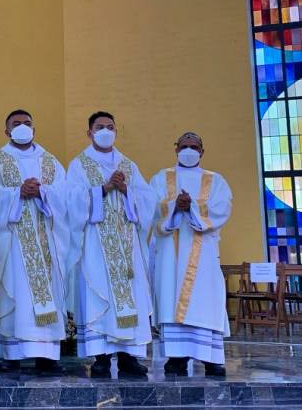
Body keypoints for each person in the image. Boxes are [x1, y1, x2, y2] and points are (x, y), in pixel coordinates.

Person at [66, 111, 156, 377]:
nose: (106, 131)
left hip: (128, 246)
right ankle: (101, 357)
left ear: (116, 131)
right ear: (89, 133)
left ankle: (129, 357)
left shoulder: (129, 165)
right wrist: (103, 189)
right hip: (96, 245)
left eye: (110, 127)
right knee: (98, 297)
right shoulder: (79, 165)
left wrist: (127, 190)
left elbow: (148, 200)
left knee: (132, 298)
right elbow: (71, 202)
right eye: (100, 127)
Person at [0, 110, 69, 374]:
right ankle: (12, 354)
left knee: (48, 293)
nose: (23, 127)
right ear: (6, 131)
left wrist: (42, 191)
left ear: (35, 128)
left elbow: (65, 197)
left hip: (46, 237)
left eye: (27, 123)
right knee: (15, 292)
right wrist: (16, 193)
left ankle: (47, 356)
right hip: (12, 240)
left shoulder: (50, 161)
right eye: (16, 124)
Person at [150, 132, 231, 377]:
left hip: (204, 253)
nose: (189, 150)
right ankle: (176, 358)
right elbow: (151, 208)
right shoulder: (160, 178)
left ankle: (211, 359)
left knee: (206, 301)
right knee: (171, 298)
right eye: (184, 146)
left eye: (194, 146)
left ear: (202, 151)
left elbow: (222, 208)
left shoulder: (215, 180)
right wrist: (174, 206)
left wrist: (191, 206)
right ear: (176, 149)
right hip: (170, 254)